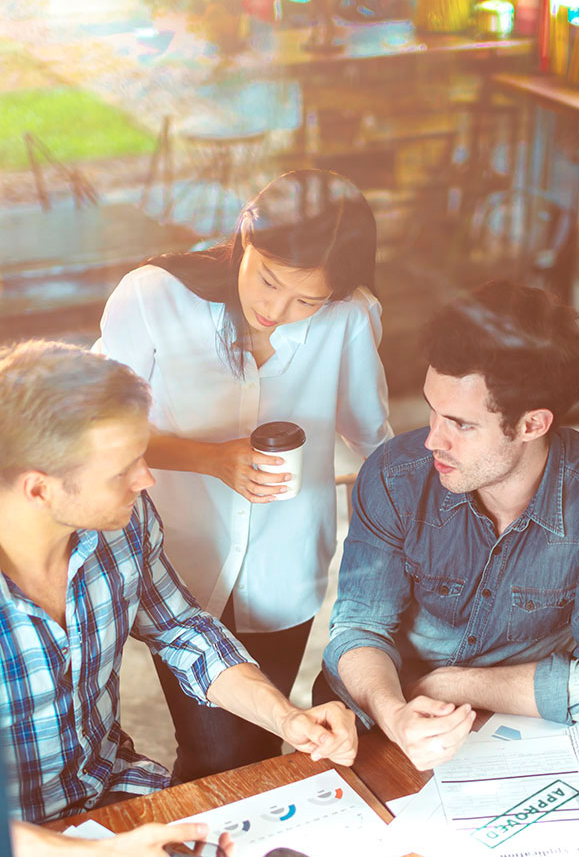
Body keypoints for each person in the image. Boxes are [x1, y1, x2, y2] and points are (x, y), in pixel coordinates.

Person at [0, 341, 356, 857]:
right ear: (39, 490)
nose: (147, 479)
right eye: (122, 470)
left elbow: (184, 630)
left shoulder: (124, 520)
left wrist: (286, 717)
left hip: (115, 791)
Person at [96, 168, 391, 783]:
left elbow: (372, 438)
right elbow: (96, 431)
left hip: (286, 565)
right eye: (269, 279)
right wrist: (210, 459)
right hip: (180, 563)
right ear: (245, 236)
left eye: (307, 301)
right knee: (212, 755)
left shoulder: (351, 317)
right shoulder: (153, 296)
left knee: (259, 751)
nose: (276, 310)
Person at [321, 281, 579, 771]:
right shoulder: (394, 476)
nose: (432, 440)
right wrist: (395, 712)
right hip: (380, 708)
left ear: (532, 425)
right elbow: (358, 629)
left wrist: (443, 685)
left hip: (515, 719)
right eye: (433, 410)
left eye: (461, 424)